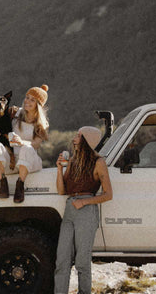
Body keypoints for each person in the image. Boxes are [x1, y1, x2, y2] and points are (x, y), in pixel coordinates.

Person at [54, 126, 113, 294]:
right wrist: (59, 169)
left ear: (87, 140)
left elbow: (108, 194)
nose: (74, 139)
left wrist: (85, 202)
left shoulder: (99, 162)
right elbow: (61, 190)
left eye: (78, 136)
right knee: (62, 260)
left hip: (86, 212)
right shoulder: (72, 160)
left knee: (82, 261)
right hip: (70, 209)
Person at [0, 85, 49, 203]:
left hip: (29, 162)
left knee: (27, 147)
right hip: (12, 162)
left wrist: (21, 142)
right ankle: (3, 182)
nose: (27, 101)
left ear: (38, 104)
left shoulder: (41, 124)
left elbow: (35, 145)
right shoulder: (14, 112)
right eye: (27, 97)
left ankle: (20, 184)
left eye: (32, 99)